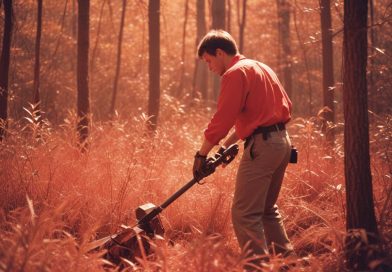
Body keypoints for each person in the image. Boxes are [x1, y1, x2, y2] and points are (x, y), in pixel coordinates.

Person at [192, 30, 294, 259]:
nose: (209, 68)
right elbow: (261, 115)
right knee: (267, 210)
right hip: (282, 143)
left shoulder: (234, 74)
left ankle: (257, 266)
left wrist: (201, 155)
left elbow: (223, 119)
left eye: (209, 61)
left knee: (244, 214)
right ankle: (288, 263)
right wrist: (225, 147)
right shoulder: (261, 67)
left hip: (263, 146)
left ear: (220, 53)